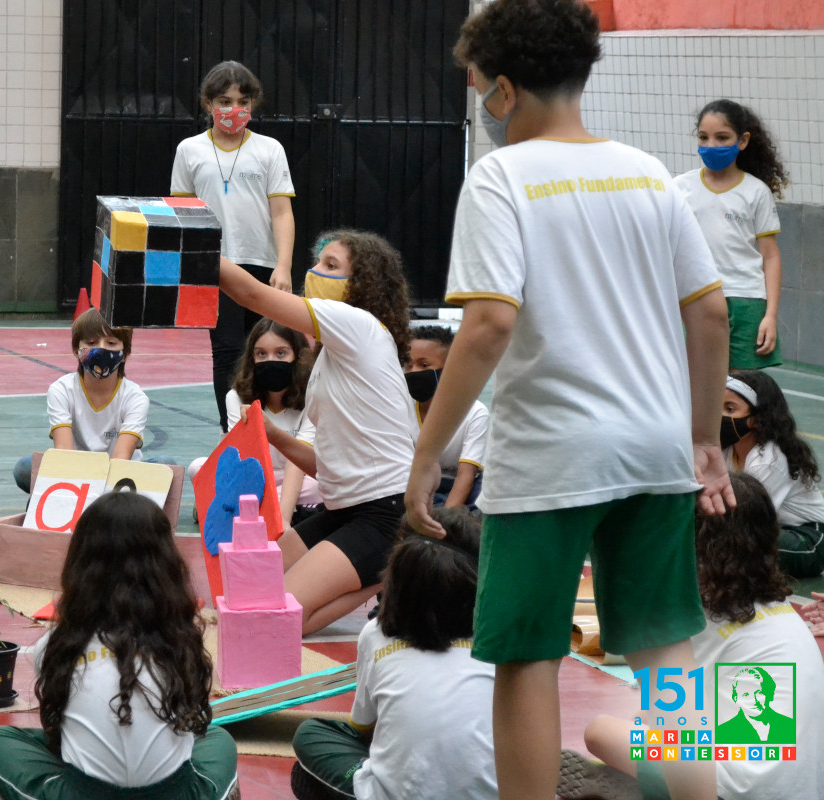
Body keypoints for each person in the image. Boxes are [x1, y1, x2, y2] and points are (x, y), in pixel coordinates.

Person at [403, 2, 734, 798]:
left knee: (526, 656)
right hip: (656, 448)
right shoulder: (649, 173)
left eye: (478, 86)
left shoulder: (500, 178)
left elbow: (487, 325)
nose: (481, 103)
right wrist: (703, 437)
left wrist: (425, 452)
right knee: (664, 654)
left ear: (505, 88)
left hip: (552, 456)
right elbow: (712, 313)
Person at [570, 473, 824, 800]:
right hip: (811, 788)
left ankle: (646, 788)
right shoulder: (780, 608)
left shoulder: (697, 615)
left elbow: (667, 713)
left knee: (601, 731)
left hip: (728, 790)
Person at [0, 491, 239, 800]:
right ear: (166, 565)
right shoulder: (183, 641)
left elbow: (60, 733)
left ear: (81, 565)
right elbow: (188, 723)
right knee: (218, 738)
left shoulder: (56, 646)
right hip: (177, 794)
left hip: (81, 795)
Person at [220, 229, 418, 635]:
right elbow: (325, 464)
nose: (314, 271)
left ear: (362, 283)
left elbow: (251, 294)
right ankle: (389, 570)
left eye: (331, 265)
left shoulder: (357, 324)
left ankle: (394, 573)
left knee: (275, 621)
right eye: (316, 262)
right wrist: (274, 435)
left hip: (385, 512)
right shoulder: (331, 355)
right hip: (343, 509)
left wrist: (194, 249)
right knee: (247, 590)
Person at [290, 509, 498, 800]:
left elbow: (365, 728)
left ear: (394, 578)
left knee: (311, 739)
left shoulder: (377, 634)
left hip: (398, 792)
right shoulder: (495, 637)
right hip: (495, 790)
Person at [171, 60, 296, 433]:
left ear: (253, 104)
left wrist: (283, 266)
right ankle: (234, 432)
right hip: (215, 266)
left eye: (242, 101)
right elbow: (182, 214)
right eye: (225, 101)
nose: (234, 109)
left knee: (267, 351)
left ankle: (273, 429)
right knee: (226, 351)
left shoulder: (270, 149)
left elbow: (281, 212)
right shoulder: (189, 150)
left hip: (262, 265)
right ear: (208, 104)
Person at [674, 99, 788, 370]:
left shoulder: (756, 192)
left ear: (743, 140)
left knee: (739, 386)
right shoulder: (679, 188)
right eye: (704, 137)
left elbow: (771, 257)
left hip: (746, 301)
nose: (711, 145)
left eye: (722, 137)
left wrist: (770, 316)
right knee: (696, 381)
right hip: (696, 297)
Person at [187, 318, 321, 526]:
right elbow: (243, 457)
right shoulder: (237, 397)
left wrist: (283, 521)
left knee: (322, 486)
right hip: (254, 476)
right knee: (197, 468)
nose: (270, 360)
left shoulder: (312, 397)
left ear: (297, 356)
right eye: (261, 354)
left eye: (281, 353)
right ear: (251, 358)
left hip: (298, 478)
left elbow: (297, 464)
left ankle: (229, 505)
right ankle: (255, 504)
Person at [12, 309, 148, 493]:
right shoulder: (61, 390)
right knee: (25, 468)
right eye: (91, 343)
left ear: (124, 353)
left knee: (166, 465)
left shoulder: (135, 397)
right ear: (76, 351)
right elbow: (65, 452)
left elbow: (121, 459)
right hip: (75, 474)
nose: (101, 350)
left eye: (111, 343)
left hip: (119, 478)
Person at [722, 371, 824, 577]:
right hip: (769, 529)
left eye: (730, 409)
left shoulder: (770, 459)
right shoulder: (727, 449)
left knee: (732, 542)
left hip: (810, 540)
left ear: (757, 419)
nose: (721, 416)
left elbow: (747, 519)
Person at [405, 325, 487, 510]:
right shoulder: (400, 407)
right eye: (409, 365)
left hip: (456, 489)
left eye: (424, 365)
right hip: (413, 486)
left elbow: (465, 476)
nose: (414, 372)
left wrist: (445, 518)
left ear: (449, 368)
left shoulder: (475, 413)